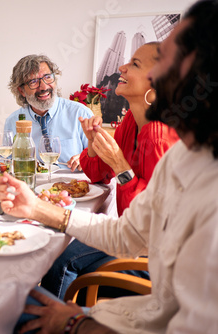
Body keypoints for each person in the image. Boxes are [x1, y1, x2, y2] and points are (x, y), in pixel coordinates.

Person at [0, 1, 218, 332]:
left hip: (137, 311)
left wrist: (75, 324)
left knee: (19, 306)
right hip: (141, 309)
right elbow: (128, 230)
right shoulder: (181, 155)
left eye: (161, 62)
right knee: (15, 298)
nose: (124, 69)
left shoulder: (200, 183)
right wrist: (38, 207)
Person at [40, 43, 180, 300]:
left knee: (61, 261)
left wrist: (120, 165)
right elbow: (96, 175)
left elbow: (147, 223)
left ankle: (55, 320)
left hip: (158, 256)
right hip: (134, 236)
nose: (121, 67)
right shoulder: (130, 121)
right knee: (60, 249)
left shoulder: (160, 135)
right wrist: (92, 144)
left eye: (135, 64)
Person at [5, 55, 92, 171]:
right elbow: (6, 165)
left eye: (48, 77)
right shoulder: (13, 122)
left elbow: (101, 159)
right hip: (31, 187)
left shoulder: (80, 114)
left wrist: (86, 159)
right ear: (21, 91)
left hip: (74, 185)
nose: (44, 86)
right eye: (33, 82)